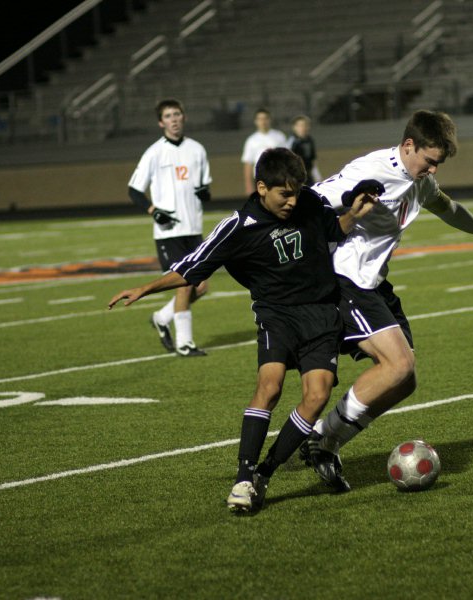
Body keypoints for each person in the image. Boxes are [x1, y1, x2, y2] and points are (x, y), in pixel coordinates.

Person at [109, 148, 380, 513]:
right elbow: (193, 266)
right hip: (277, 317)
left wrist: (353, 215)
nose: (292, 200)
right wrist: (145, 288)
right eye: (284, 194)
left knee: (317, 396)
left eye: (296, 191)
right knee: (269, 387)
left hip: (320, 314)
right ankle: (243, 477)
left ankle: (266, 472)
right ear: (262, 187)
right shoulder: (238, 225)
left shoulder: (310, 203)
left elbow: (334, 229)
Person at [302, 109, 473, 491]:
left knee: (405, 381)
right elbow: (313, 200)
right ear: (408, 146)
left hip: (373, 281)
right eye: (430, 161)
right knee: (397, 364)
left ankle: (325, 438)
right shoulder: (372, 170)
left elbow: (445, 207)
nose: (433, 170)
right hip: (345, 279)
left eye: (438, 164)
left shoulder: (419, 179)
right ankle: (320, 437)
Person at [128, 98, 212, 357]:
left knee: (201, 287)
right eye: (168, 115)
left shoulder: (197, 149)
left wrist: (204, 193)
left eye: (177, 114)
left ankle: (162, 318)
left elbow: (205, 188)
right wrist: (154, 211)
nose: (174, 119)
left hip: (193, 227)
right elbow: (134, 189)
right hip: (169, 233)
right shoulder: (154, 152)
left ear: (183, 117)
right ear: (161, 122)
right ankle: (184, 343)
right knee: (184, 285)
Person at [241, 107, 286, 196]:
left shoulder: (279, 137)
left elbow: (286, 160)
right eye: (260, 119)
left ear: (270, 120)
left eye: (265, 118)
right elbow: (248, 164)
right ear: (256, 121)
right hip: (260, 180)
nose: (263, 121)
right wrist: (248, 186)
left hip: (277, 178)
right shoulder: (251, 140)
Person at [286, 115, 321, 185]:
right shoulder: (292, 141)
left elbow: (312, 158)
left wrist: (316, 173)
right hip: (296, 175)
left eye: (305, 125)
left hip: (308, 173)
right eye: (300, 126)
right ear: (294, 127)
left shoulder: (309, 140)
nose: (303, 128)